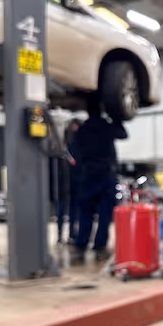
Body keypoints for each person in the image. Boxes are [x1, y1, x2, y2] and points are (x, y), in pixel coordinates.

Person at [71, 93, 127, 264]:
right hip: (106, 177)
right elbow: (123, 134)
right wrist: (115, 116)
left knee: (85, 214)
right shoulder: (107, 126)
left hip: (88, 176)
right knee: (104, 216)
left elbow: (75, 151)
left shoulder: (82, 130)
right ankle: (99, 248)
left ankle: (80, 249)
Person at [65, 119, 82, 243]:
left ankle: (77, 234)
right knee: (74, 209)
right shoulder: (70, 145)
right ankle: (73, 234)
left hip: (79, 181)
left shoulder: (77, 144)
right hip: (73, 182)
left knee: (79, 210)